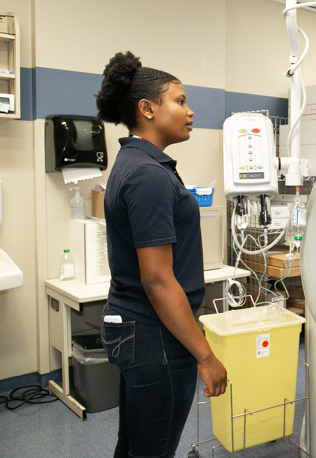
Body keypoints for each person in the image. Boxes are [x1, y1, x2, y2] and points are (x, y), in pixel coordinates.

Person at [96, 51, 227, 458]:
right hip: (156, 335)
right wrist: (205, 356)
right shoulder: (149, 175)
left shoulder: (136, 162)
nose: (190, 111)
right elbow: (157, 279)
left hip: (139, 328)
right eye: (180, 100)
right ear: (147, 109)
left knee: (134, 446)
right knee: (152, 450)